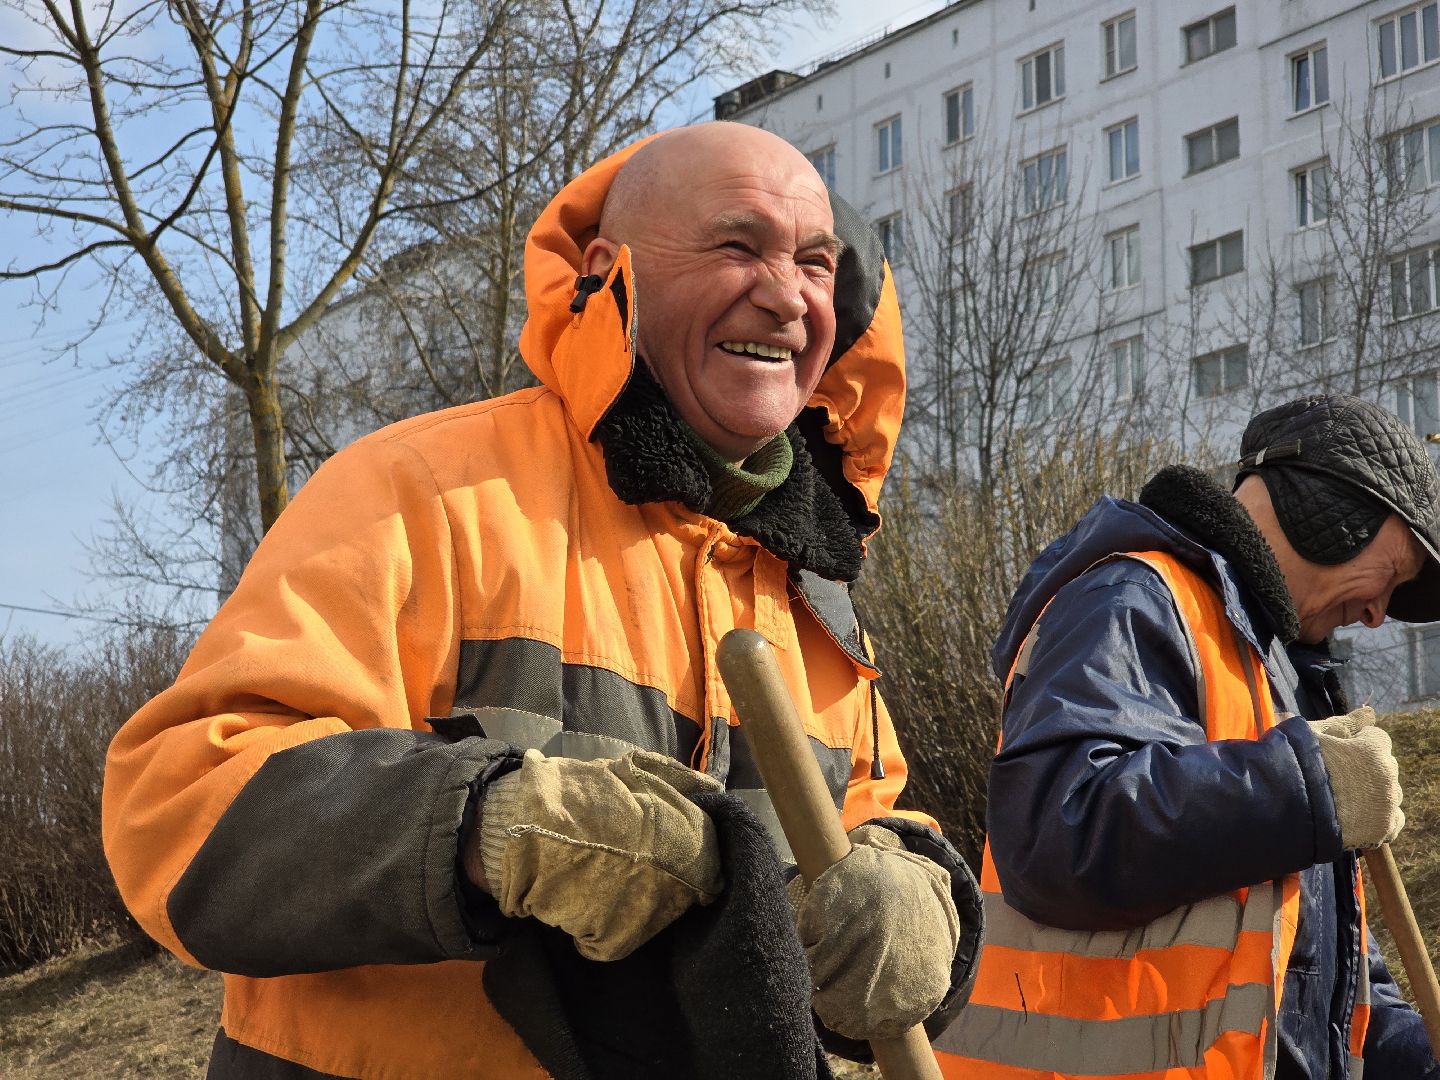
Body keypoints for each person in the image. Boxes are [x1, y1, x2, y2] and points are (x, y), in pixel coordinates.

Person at [101, 122, 982, 1080]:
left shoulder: (811, 600)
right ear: (612, 272)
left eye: (816, 261)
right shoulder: (424, 492)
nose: (784, 293)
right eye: (738, 245)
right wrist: (485, 825)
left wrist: (925, 899)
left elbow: (868, 841)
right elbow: (173, 808)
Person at [933, 394, 1440, 1079]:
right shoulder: (1130, 599)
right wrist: (1306, 788)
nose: (1378, 614)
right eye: (1393, 574)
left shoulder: (1269, 673)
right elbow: (1060, 828)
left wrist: (1417, 1056)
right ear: (1331, 515)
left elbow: (1318, 964)